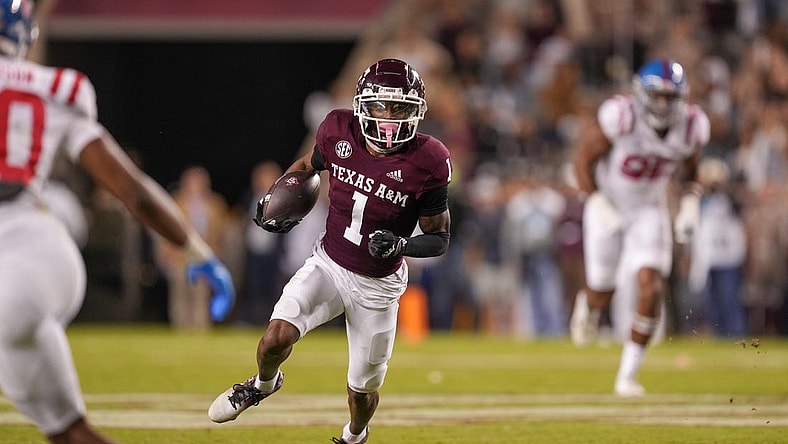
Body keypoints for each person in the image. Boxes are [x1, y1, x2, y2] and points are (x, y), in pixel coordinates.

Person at [0, 1, 236, 443]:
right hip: (38, 254)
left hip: (13, 258)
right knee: (71, 433)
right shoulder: (53, 87)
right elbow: (135, 192)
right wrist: (197, 251)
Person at [208, 58, 452, 443]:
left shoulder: (429, 161)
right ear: (362, 105)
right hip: (330, 263)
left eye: (399, 108)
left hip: (379, 286)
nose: (388, 117)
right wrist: (280, 194)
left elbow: (440, 238)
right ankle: (263, 384)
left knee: (362, 388)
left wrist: (403, 245)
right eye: (380, 106)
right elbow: (308, 165)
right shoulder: (338, 130)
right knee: (275, 337)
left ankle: (355, 436)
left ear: (416, 112)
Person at [569, 59, 710, 397]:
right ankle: (589, 304)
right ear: (641, 94)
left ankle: (627, 376)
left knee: (651, 286)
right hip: (609, 202)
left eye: (669, 97)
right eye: (656, 96)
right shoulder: (623, 118)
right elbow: (582, 161)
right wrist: (596, 201)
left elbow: (691, 172)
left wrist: (690, 203)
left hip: (649, 207)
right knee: (604, 288)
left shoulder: (691, 126)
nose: (662, 104)